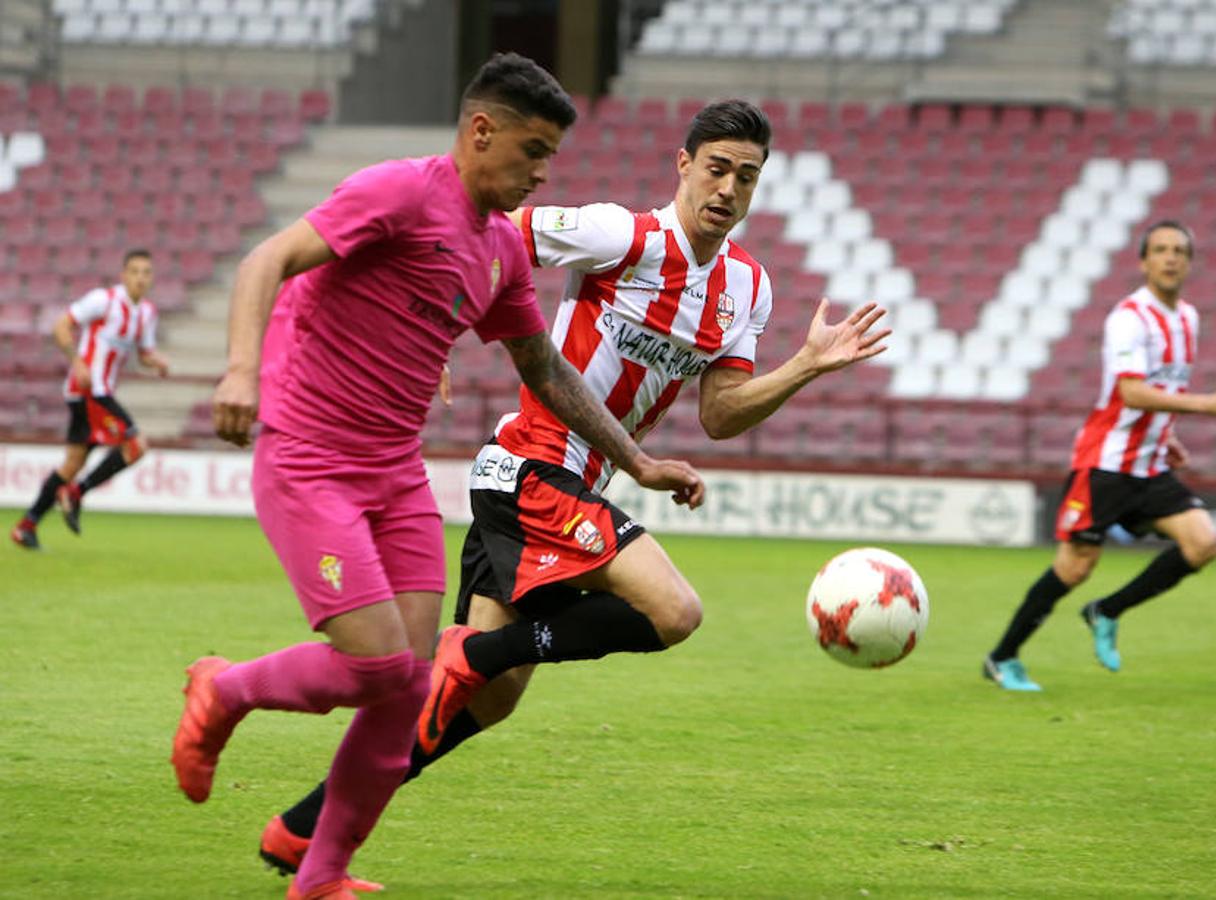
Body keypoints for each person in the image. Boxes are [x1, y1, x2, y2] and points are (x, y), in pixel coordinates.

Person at [257, 98, 890, 882]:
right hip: (530, 469)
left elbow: (721, 414)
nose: (728, 188)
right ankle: (477, 651)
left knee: (482, 703)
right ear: (683, 165)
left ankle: (305, 830)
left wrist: (803, 367)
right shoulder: (619, 235)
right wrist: (429, 324)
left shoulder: (745, 287)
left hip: (563, 485)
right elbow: (484, 238)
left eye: (747, 176)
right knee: (672, 611)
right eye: (717, 167)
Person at [169, 53, 704, 900]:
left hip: (394, 475)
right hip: (310, 458)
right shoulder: (399, 194)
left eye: (550, 158)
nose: (539, 173)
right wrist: (240, 371)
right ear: (479, 131)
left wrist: (635, 460)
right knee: (380, 670)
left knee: (409, 682)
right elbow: (265, 260)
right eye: (531, 150)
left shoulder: (497, 250)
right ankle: (224, 689)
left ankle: (320, 876)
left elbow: (548, 372)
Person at [983, 220, 1216, 692]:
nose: (1170, 258)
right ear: (1143, 261)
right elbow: (1130, 392)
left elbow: (1161, 388)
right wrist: (1208, 404)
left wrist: (1163, 437)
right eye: (1161, 250)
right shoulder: (1128, 318)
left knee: (1203, 543)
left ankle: (1106, 611)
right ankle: (1002, 658)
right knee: (1075, 566)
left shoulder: (1189, 318)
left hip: (1149, 463)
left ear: (1189, 263)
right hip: (1104, 464)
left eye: (1179, 251)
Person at [9, 249, 169, 550]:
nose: (140, 278)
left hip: (100, 392)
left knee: (71, 464)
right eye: (134, 271)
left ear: (152, 278)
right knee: (136, 445)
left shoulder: (147, 313)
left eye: (146, 272)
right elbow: (61, 326)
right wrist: (78, 361)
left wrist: (156, 361)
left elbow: (144, 354)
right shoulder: (104, 300)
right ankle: (76, 493)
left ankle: (26, 527)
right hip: (89, 390)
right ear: (123, 275)